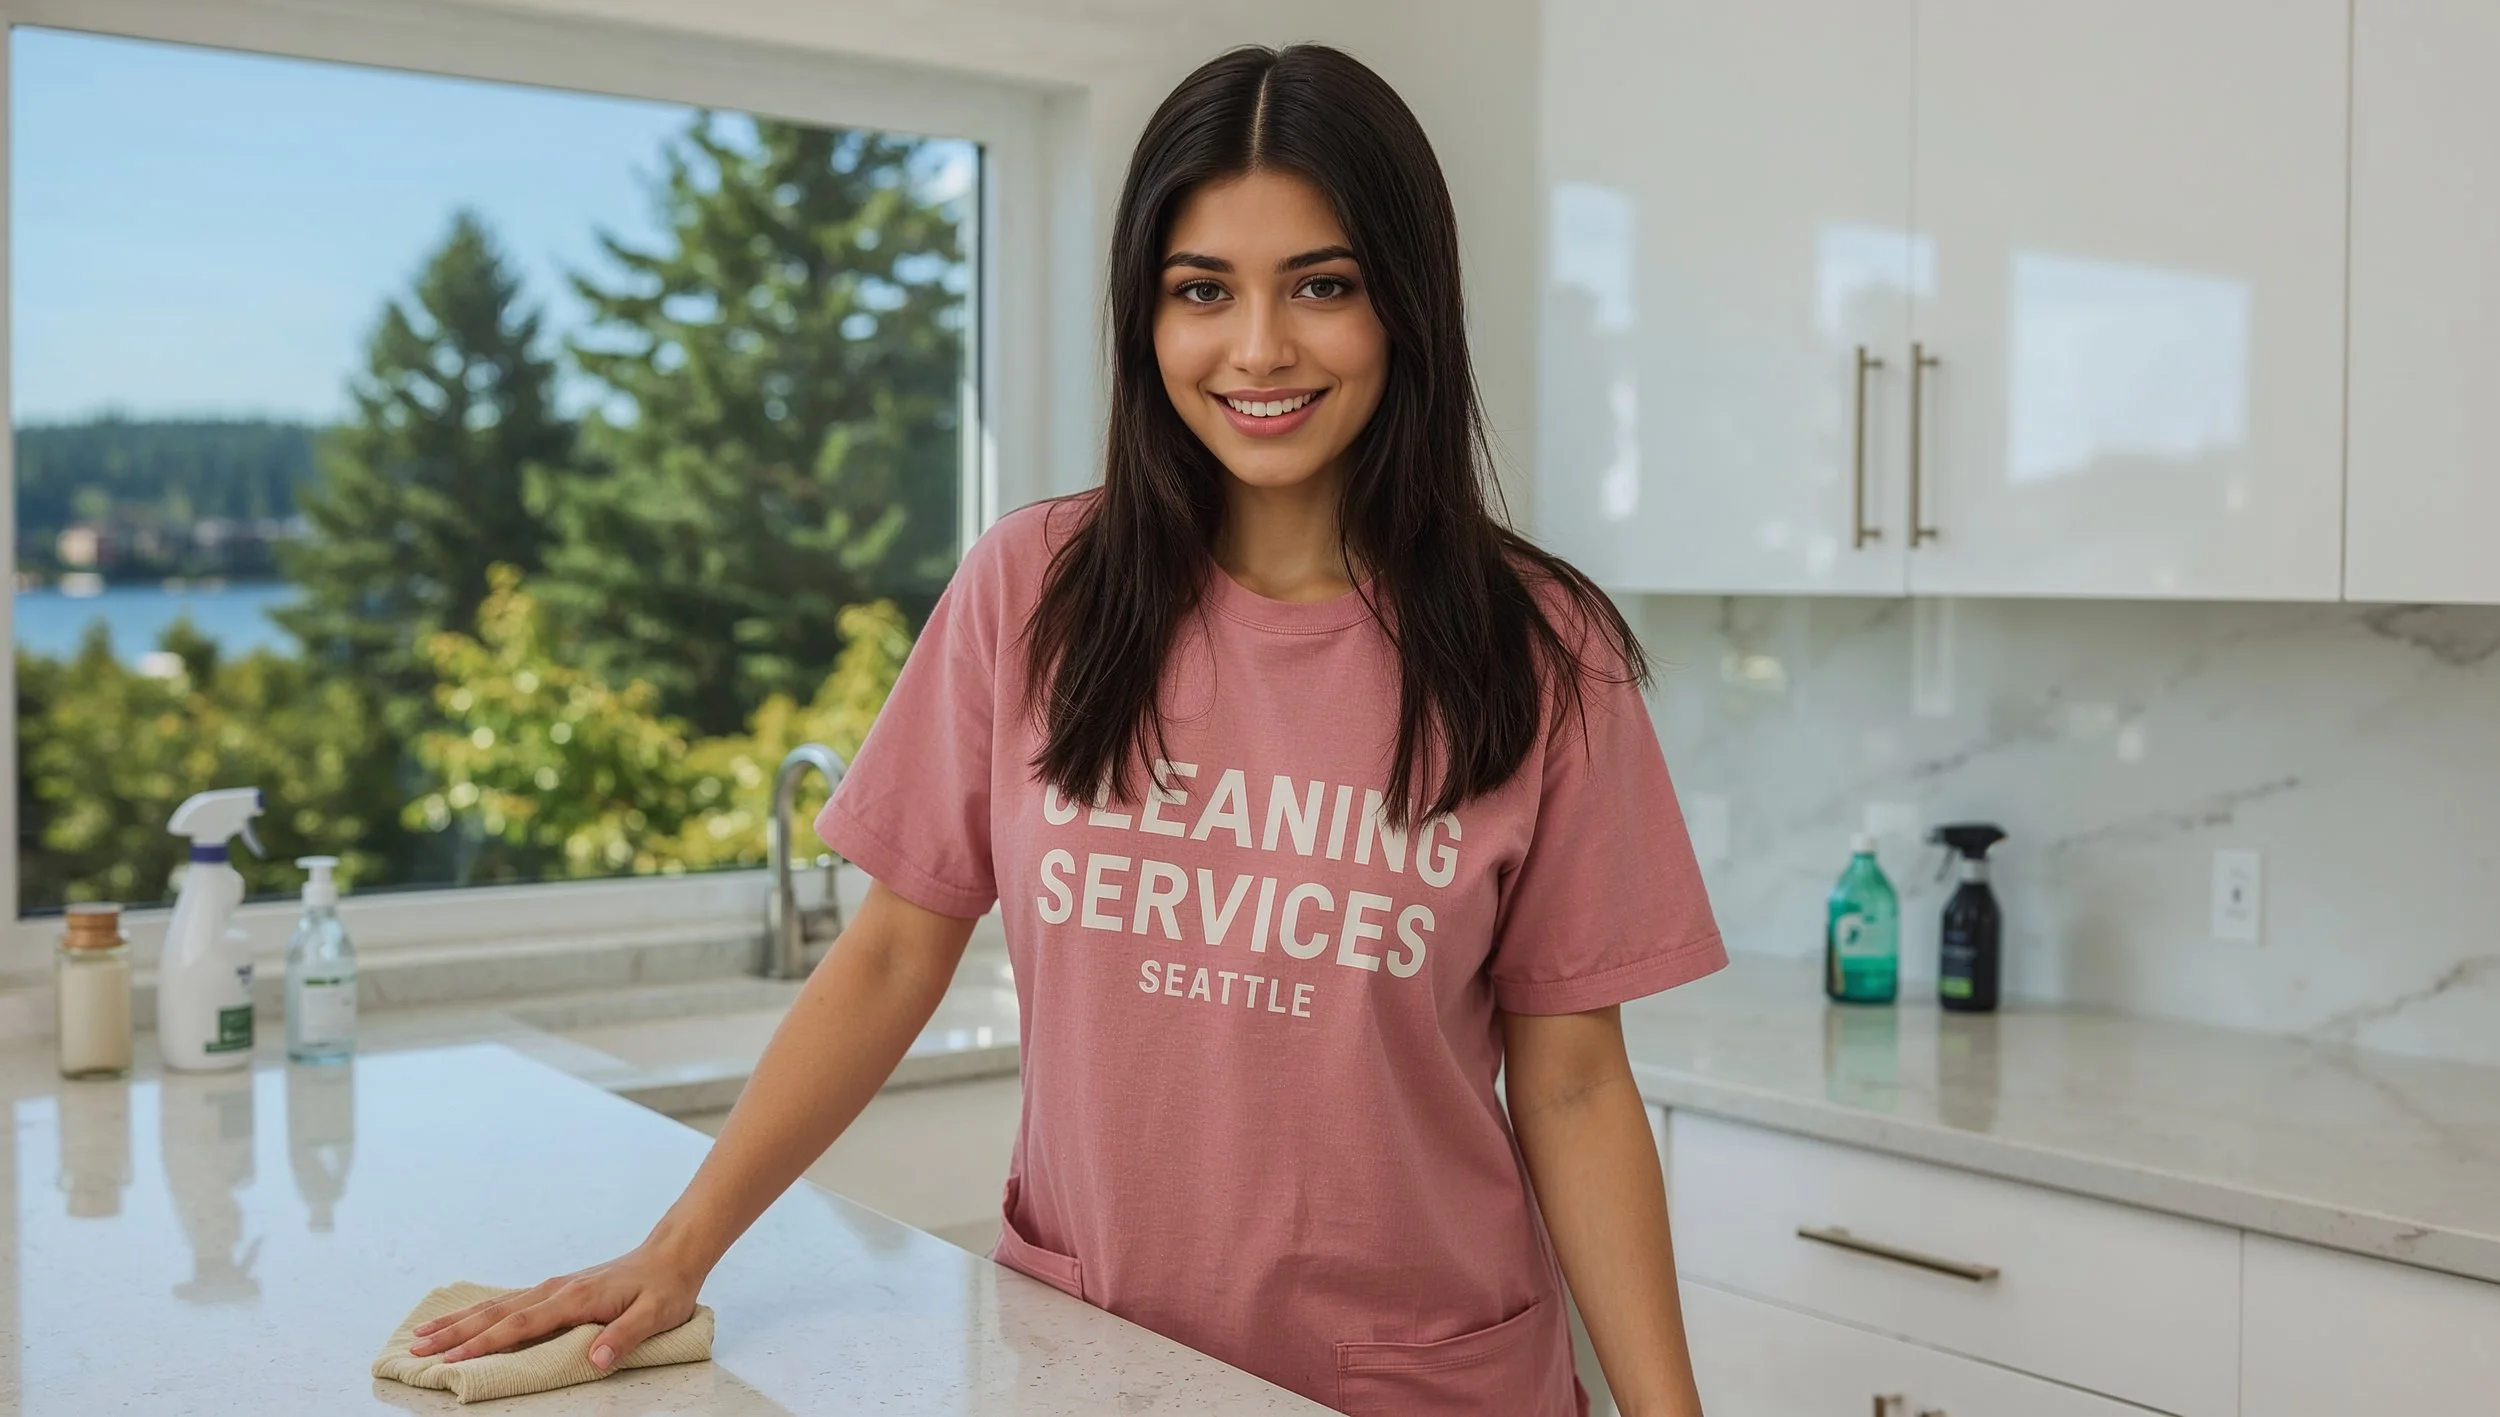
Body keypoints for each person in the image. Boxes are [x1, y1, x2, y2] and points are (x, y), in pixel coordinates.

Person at [407, 41, 1725, 1417]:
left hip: (1415, 1383)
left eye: (1321, 287)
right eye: (1200, 290)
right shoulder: (1035, 590)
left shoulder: (1542, 651)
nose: (1259, 347)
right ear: (1145, 318)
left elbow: (1572, 1088)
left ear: (1406, 305)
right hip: (1091, 1364)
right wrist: (675, 1254)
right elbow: (889, 955)